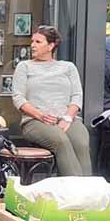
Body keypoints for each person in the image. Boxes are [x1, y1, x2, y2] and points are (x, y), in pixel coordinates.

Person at [11, 26, 92, 176]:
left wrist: (67, 118)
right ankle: (78, 187)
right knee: (60, 141)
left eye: (38, 42)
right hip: (35, 121)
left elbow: (77, 96)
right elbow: (18, 98)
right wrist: (40, 115)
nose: (32, 45)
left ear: (51, 46)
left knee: (81, 142)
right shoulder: (25, 67)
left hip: (66, 118)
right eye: (32, 41)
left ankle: (88, 188)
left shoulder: (68, 67)